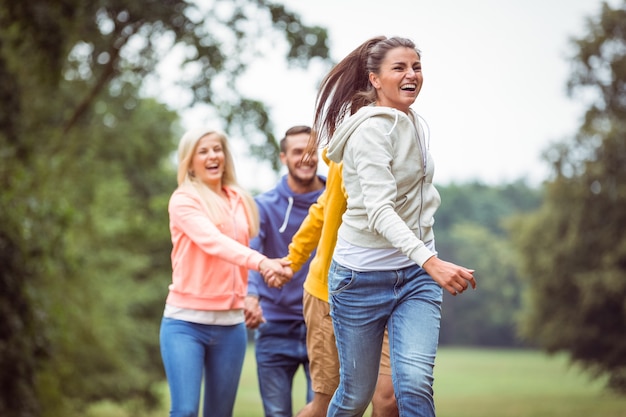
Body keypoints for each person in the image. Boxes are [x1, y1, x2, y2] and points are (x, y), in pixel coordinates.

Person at [312, 36, 477, 417]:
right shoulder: (370, 131)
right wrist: (431, 261)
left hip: (415, 277)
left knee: (415, 384)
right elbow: (379, 211)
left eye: (416, 67)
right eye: (399, 68)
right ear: (374, 78)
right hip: (362, 277)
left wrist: (424, 261)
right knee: (355, 395)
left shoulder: (414, 123)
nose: (411, 75)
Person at [159, 128, 291, 417]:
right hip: (185, 324)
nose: (212, 156)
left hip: (231, 325)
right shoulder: (184, 200)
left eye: (217, 149)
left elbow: (239, 253)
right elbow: (215, 243)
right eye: (203, 151)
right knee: (185, 412)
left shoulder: (239, 199)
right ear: (189, 161)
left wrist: (249, 294)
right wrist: (263, 262)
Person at [277, 148, 399, 417]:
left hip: (389, 291)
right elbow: (325, 207)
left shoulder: (404, 153)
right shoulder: (347, 155)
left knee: (390, 399)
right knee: (329, 403)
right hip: (330, 294)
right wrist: (293, 259)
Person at [245, 125, 326, 417]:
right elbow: (252, 254)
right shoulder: (263, 206)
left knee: (323, 413)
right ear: (283, 157)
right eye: (297, 152)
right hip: (275, 325)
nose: (306, 158)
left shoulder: (338, 200)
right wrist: (251, 296)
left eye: (312, 151)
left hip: (325, 324)